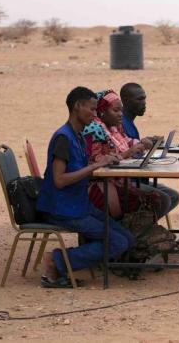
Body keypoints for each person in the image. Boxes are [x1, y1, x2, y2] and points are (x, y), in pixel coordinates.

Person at [37, 86, 135, 288]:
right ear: (77, 106)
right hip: (64, 209)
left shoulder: (79, 135)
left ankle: (66, 260)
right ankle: (56, 260)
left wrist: (105, 161)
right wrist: (95, 166)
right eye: (91, 109)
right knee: (118, 242)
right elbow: (60, 180)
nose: (94, 113)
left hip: (79, 204)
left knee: (126, 237)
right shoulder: (64, 138)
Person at [83, 90, 159, 219]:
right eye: (116, 110)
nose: (120, 115)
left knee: (157, 199)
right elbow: (98, 163)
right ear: (102, 111)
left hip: (119, 182)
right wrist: (128, 153)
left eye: (121, 110)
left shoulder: (114, 127)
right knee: (154, 200)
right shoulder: (93, 131)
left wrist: (142, 143)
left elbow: (127, 142)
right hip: (100, 187)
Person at [119, 82, 179, 218]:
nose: (144, 103)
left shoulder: (129, 122)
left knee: (173, 196)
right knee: (163, 199)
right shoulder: (120, 123)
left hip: (137, 177)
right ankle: (140, 230)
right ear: (125, 100)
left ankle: (144, 228)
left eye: (145, 98)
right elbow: (124, 155)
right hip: (127, 180)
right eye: (139, 99)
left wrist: (147, 144)